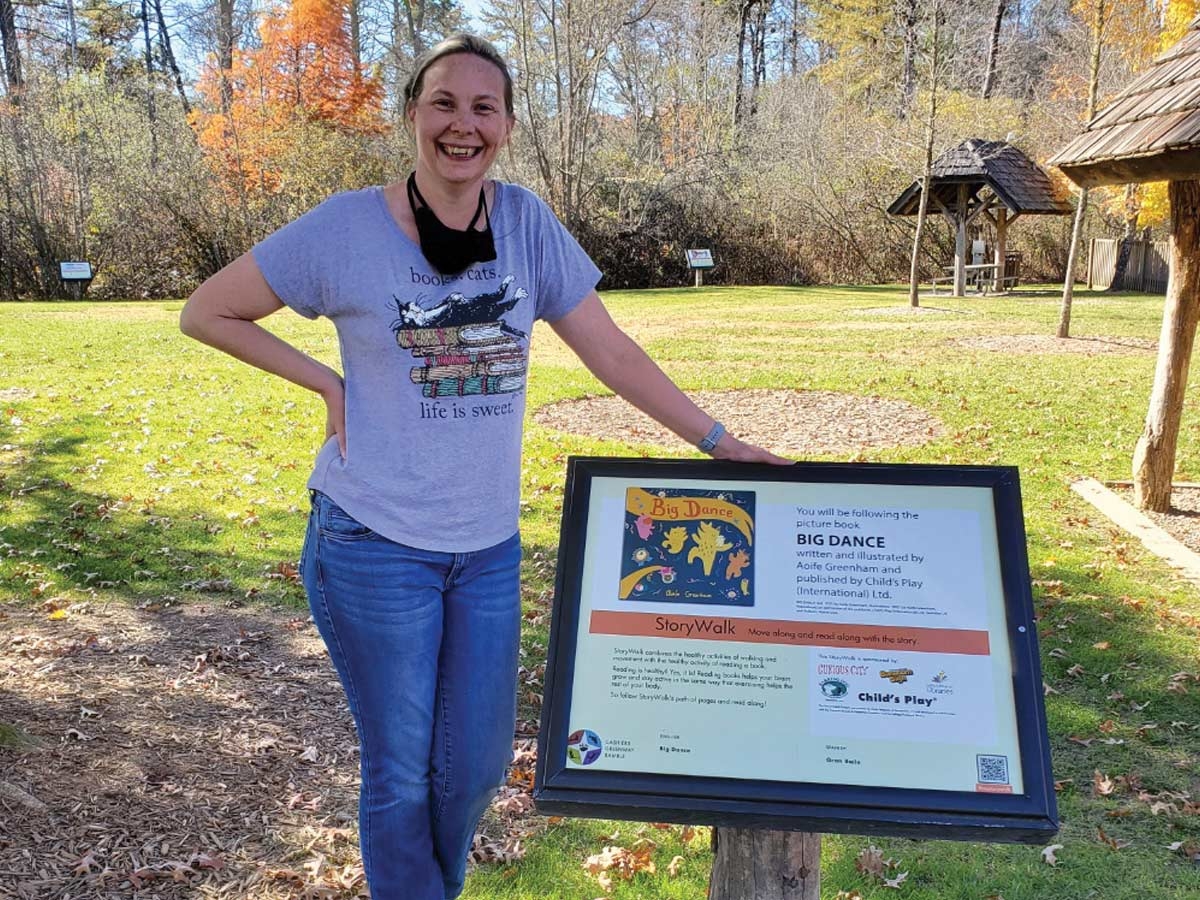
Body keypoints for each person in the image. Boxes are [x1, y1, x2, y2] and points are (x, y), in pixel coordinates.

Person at [180, 33, 789, 900]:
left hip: (486, 550)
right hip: (372, 541)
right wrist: (326, 382)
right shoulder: (347, 227)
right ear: (412, 116)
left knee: (474, 769)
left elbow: (611, 352)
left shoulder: (527, 224)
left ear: (504, 125)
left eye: (483, 107)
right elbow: (208, 312)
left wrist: (718, 441)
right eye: (444, 104)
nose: (462, 125)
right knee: (400, 773)